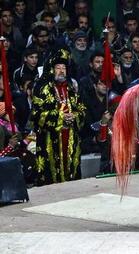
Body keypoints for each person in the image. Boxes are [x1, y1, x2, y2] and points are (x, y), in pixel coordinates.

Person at [31, 48, 86, 185]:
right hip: (51, 138)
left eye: (64, 67)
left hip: (71, 134)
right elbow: (36, 115)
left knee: (71, 170)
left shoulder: (71, 89)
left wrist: (74, 115)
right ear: (52, 69)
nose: (61, 70)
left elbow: (82, 109)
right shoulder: (42, 89)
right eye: (58, 67)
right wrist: (61, 116)